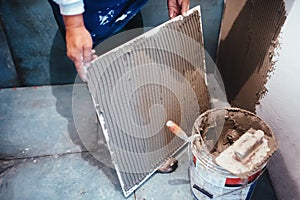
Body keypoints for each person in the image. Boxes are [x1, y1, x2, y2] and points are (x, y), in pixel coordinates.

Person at [49, 0, 190, 81]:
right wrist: (74, 23)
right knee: (108, 76)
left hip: (124, 4)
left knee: (131, 42)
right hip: (91, 9)